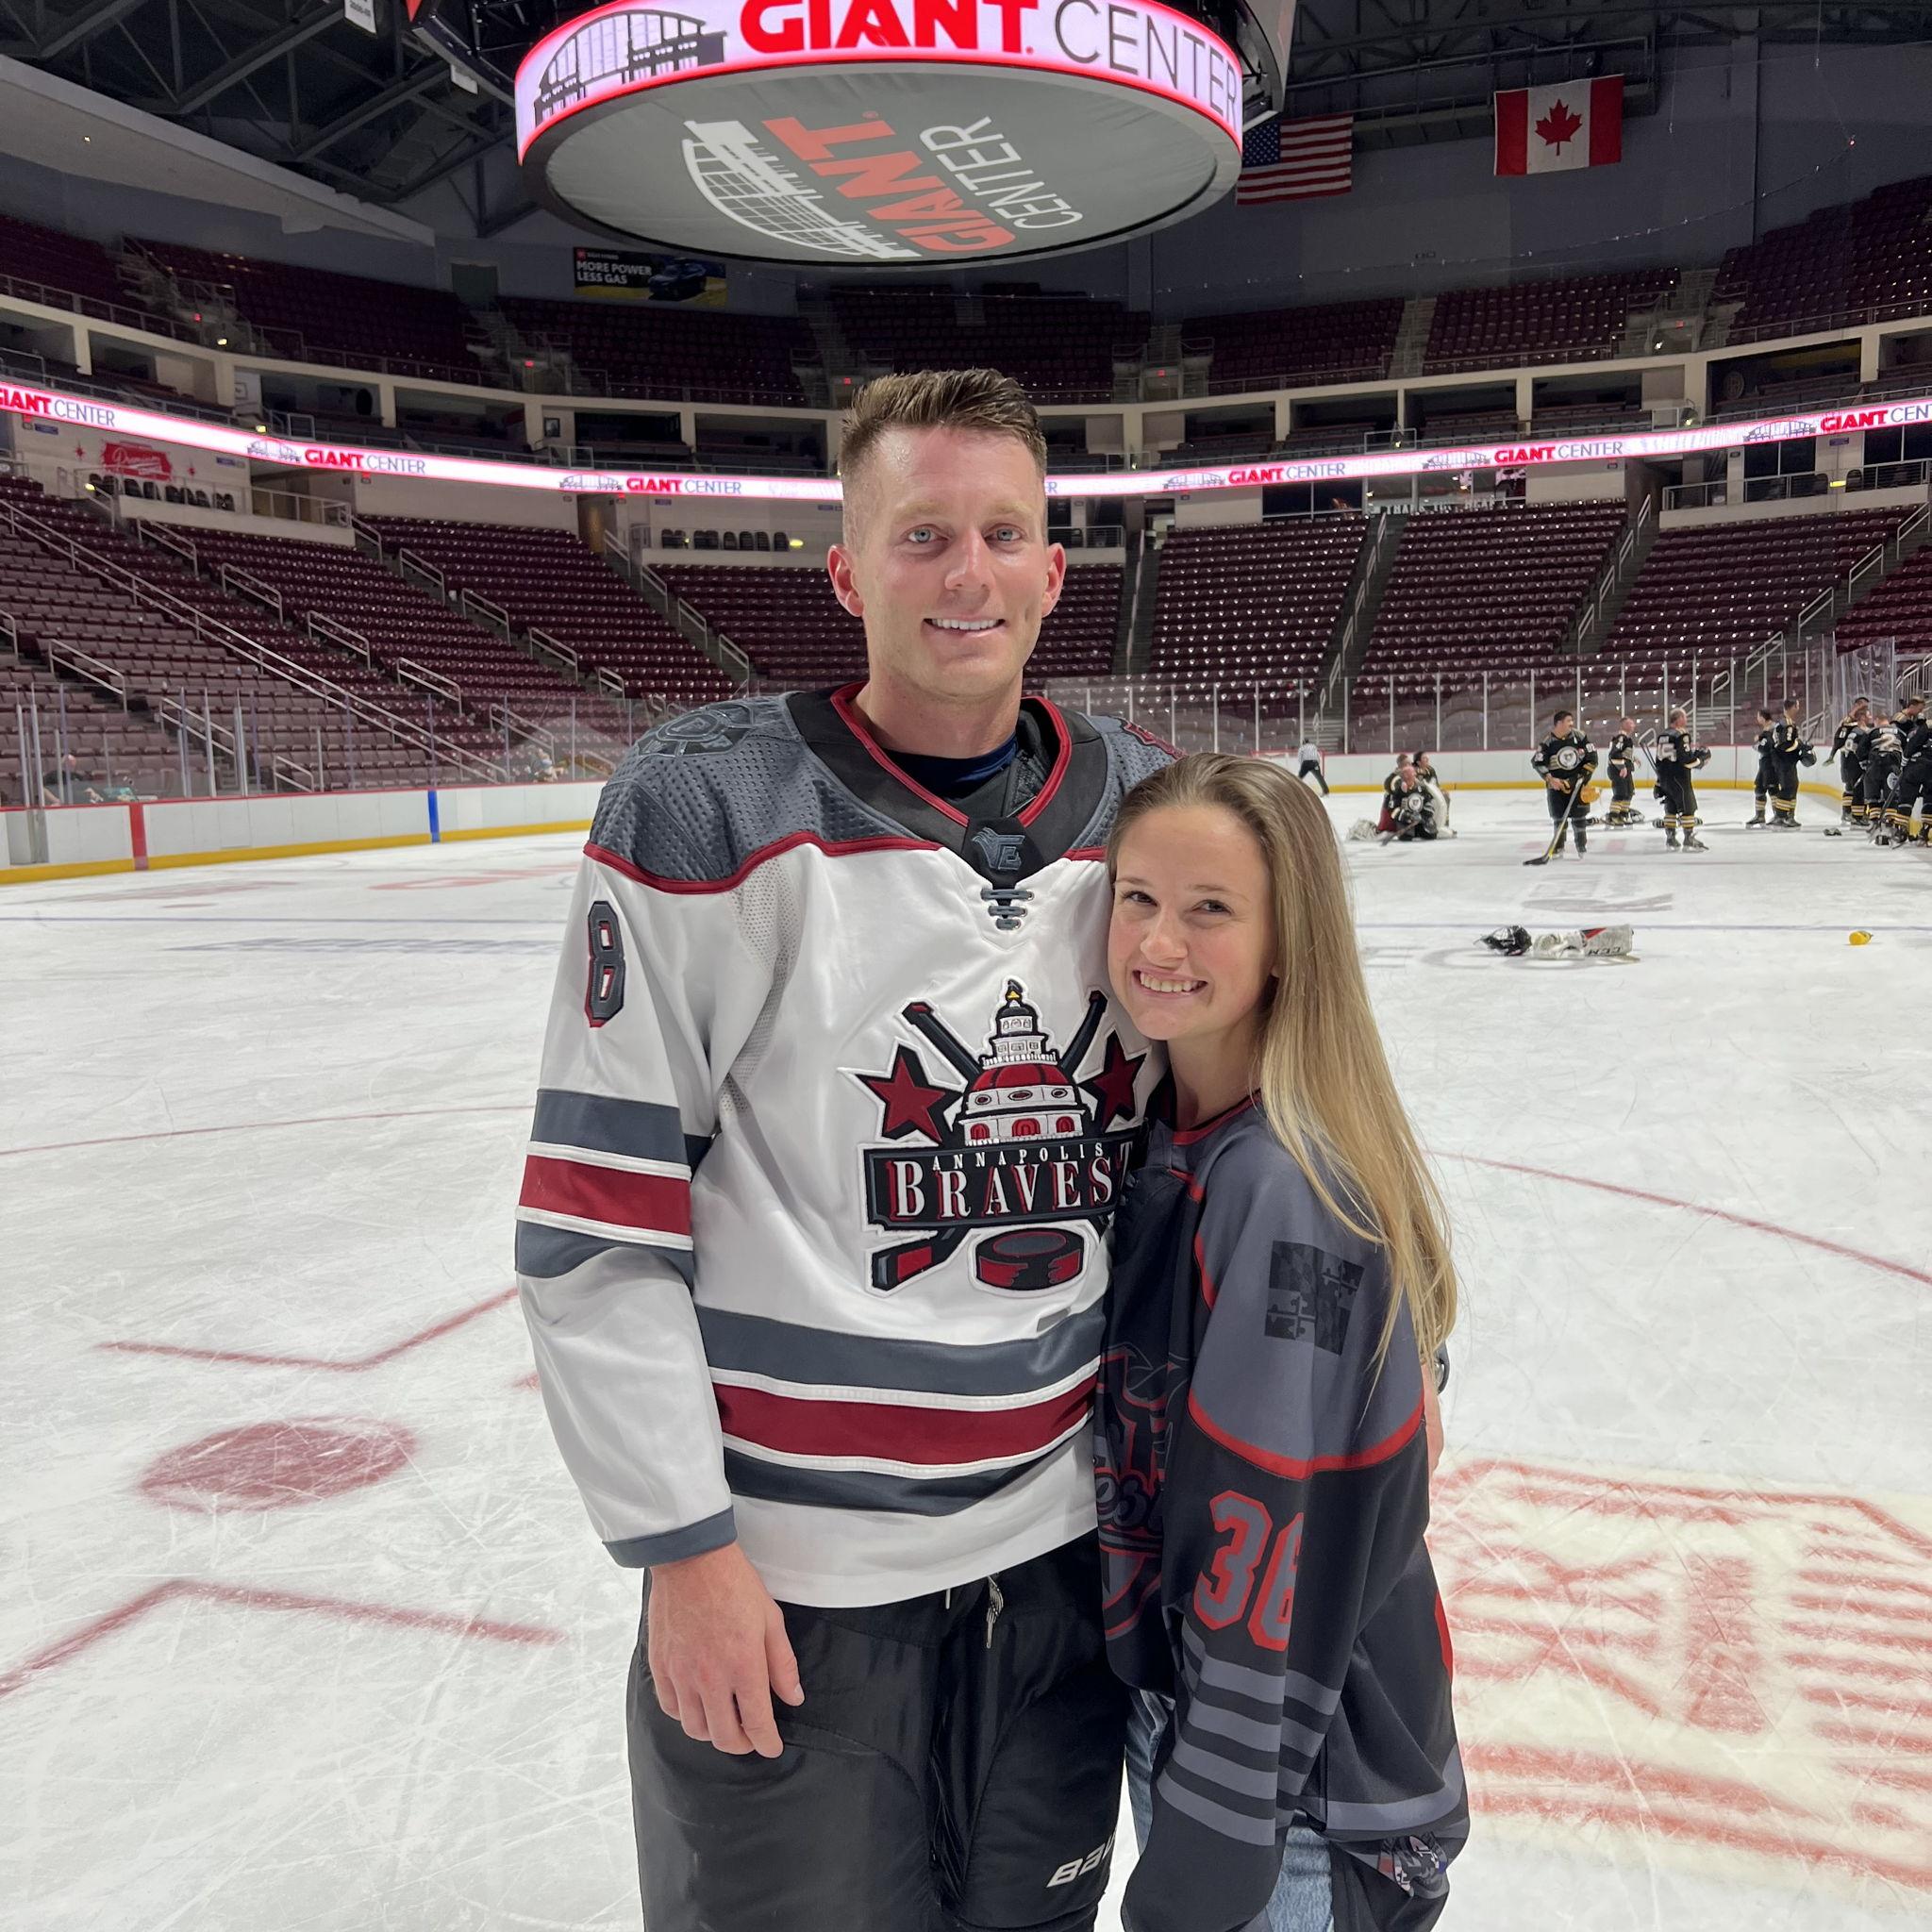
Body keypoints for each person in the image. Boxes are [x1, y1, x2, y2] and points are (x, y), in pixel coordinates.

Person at [514, 369, 1172, 1932]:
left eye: (1002, 532)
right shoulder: (705, 805)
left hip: (1062, 1568)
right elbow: (597, 1226)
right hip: (792, 1593)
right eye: (921, 533)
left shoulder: (1146, 807)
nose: (967, 573)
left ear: (1052, 568)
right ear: (846, 569)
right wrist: (685, 1553)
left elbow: (1244, 1135)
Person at [1097, 753, 1465, 1932]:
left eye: (1209, 909)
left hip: (1285, 1781)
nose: (1159, 939)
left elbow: (1278, 1541)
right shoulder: (1182, 1134)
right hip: (1225, 1735)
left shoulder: (1279, 1183)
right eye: (1137, 897)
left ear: (1281, 943)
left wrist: (1213, 1820)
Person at [1529, 708, 1596, 857]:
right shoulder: (1548, 742)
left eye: (1572, 721)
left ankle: (1581, 847)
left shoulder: (1579, 737)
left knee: (1579, 818)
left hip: (1577, 785)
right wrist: (1550, 779)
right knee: (1559, 819)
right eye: (1568, 721)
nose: (1571, 724)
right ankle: (1558, 848)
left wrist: (1581, 778)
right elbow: (1537, 762)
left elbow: (1592, 758)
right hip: (1556, 787)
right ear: (1558, 723)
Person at [1653, 707, 1710, 851]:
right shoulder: (1681, 735)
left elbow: (1659, 760)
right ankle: (1688, 838)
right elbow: (1685, 760)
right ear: (1678, 719)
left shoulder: (1663, 735)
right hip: (1679, 776)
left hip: (1664, 776)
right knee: (1688, 806)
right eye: (1684, 717)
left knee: (1670, 807)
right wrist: (1701, 760)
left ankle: (1670, 838)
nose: (1686, 720)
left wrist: (1659, 780)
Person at [1765, 696, 1813, 829]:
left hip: (1782, 762)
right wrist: (1800, 745)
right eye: (1797, 706)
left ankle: (1788, 816)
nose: (1798, 708)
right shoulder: (1788, 724)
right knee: (1788, 788)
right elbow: (1785, 745)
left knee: (1792, 786)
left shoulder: (1782, 723)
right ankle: (1782, 817)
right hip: (1785, 762)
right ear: (1792, 707)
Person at [1830, 697, 1872, 827]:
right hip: (1850, 758)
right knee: (1851, 786)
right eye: (1863, 706)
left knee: (1856, 787)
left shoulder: (1862, 725)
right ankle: (1849, 812)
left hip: (1855, 758)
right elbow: (1839, 739)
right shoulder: (1848, 722)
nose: (1866, 709)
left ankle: (1854, 813)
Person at [1603, 717, 1642, 826]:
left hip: (1625, 769)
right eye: (1630, 723)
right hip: (1618, 770)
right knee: (1620, 793)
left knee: (1629, 792)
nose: (1633, 725)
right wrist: (1622, 767)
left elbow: (1623, 753)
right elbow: (1615, 754)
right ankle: (1614, 816)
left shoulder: (1625, 738)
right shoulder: (1621, 738)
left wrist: (1633, 759)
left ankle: (1623, 814)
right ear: (1623, 725)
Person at [1746, 708, 1775, 827]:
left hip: (1771, 764)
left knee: (1773, 789)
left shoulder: (1771, 730)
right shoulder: (1767, 730)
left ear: (1763, 718)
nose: (1757, 719)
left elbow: (1766, 747)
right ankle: (1760, 816)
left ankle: (1778, 815)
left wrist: (1757, 745)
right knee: (1759, 788)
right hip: (1765, 764)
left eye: (1758, 716)